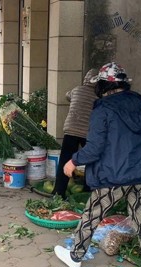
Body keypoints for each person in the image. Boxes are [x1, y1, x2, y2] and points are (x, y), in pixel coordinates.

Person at [54, 62, 141, 267]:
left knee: (91, 215)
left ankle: (75, 256)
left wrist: (73, 161)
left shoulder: (103, 109)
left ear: (102, 85)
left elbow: (94, 147)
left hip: (113, 177)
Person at [51, 69, 98, 199]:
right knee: (91, 160)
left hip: (70, 130)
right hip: (86, 133)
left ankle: (58, 192)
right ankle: (88, 189)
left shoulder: (77, 90)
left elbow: (68, 95)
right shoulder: (97, 96)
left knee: (65, 160)